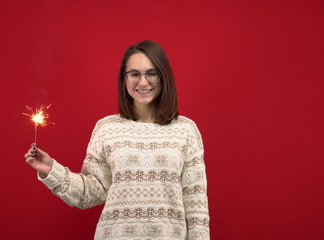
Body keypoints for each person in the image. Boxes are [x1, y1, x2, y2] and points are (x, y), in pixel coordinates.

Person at [24, 40, 210, 239]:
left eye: (152, 73)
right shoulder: (107, 128)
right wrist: (51, 170)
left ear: (164, 77)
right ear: (124, 79)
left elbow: (195, 204)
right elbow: (90, 194)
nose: (143, 82)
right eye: (135, 74)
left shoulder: (185, 129)